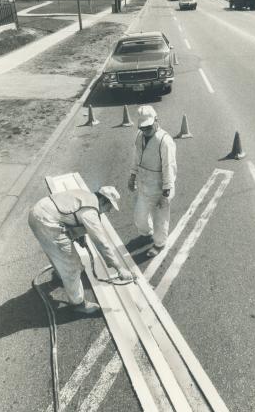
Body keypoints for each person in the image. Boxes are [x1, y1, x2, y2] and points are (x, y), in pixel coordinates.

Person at [29, 186, 132, 314]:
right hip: (47, 222)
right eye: (109, 207)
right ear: (103, 201)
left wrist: (80, 236)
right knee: (72, 266)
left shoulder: (85, 195)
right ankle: (78, 303)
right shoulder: (91, 212)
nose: (108, 211)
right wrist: (118, 267)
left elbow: (71, 215)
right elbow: (101, 242)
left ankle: (61, 274)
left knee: (54, 249)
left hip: (37, 211)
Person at [128, 105, 177, 258]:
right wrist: (132, 175)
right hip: (144, 185)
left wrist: (166, 191)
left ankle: (159, 244)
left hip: (160, 187)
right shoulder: (139, 136)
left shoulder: (164, 140)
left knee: (160, 219)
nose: (145, 131)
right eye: (143, 128)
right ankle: (147, 233)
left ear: (156, 121)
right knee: (139, 217)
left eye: (148, 128)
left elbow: (169, 166)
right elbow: (136, 157)